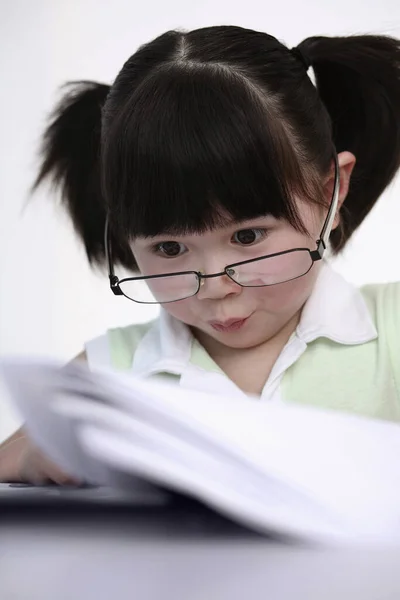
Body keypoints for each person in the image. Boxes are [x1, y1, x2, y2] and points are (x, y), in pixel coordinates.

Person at [1, 25, 400, 484]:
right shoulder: (108, 373)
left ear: (331, 192)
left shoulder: (390, 333)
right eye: (169, 248)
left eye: (248, 237)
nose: (214, 286)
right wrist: (35, 461)